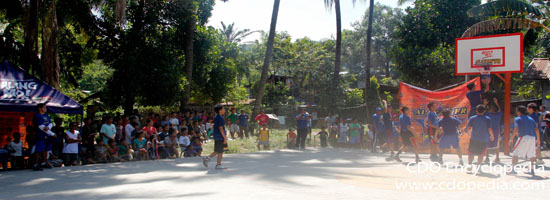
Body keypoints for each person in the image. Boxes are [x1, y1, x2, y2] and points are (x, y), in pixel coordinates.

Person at [508, 106, 541, 176]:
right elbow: (536, 129)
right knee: (532, 153)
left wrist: (511, 138)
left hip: (523, 136)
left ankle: (513, 169)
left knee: (515, 153)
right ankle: (532, 170)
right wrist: (538, 139)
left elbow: (516, 128)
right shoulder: (531, 119)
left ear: (519, 112)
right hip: (532, 137)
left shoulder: (517, 119)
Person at [465, 104, 494, 169]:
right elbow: (490, 129)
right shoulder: (488, 119)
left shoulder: (472, 118)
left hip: (474, 138)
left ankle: (469, 164)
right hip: (484, 139)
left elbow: (469, 128)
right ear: (484, 111)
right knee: (481, 153)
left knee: (471, 152)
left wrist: (469, 133)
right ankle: (479, 166)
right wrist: (492, 135)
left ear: (476, 110)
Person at [33, 103, 57, 170]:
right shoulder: (37, 116)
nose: (45, 109)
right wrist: (52, 133)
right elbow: (41, 126)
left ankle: (44, 162)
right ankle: (36, 164)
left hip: (47, 135)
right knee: (38, 150)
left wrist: (48, 128)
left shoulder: (46, 116)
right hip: (40, 135)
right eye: (44, 107)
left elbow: (50, 123)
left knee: (45, 149)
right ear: (40, 108)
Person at [485, 98, 502, 163]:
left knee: (489, 143)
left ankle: (488, 158)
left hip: (491, 130)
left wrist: (485, 104)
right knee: (495, 144)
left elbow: (482, 111)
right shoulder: (498, 114)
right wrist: (496, 103)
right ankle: (495, 157)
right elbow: (499, 109)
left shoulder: (489, 114)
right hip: (495, 129)